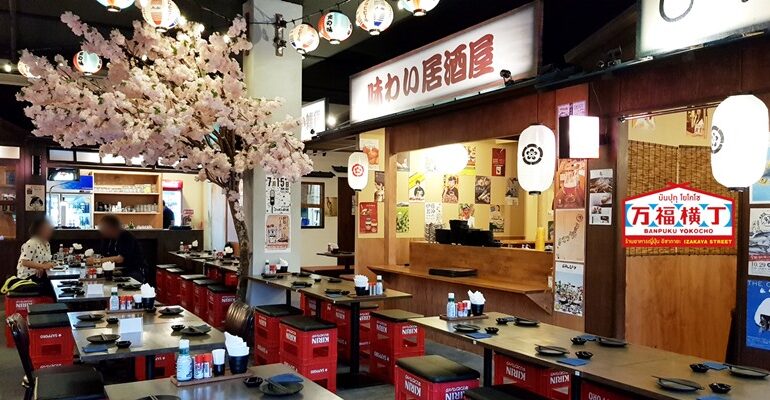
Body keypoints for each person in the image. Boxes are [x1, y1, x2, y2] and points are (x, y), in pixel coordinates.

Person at [88, 215, 146, 282]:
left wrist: (97, 261)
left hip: (133, 271)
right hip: (117, 271)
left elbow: (120, 259)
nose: (102, 231)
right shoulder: (108, 238)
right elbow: (103, 255)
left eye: (104, 228)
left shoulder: (126, 236)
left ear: (112, 227)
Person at [16, 218, 56, 294]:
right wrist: (41, 266)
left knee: (53, 284)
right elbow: (24, 262)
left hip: (39, 275)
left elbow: (46, 261)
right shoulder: (32, 242)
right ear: (39, 230)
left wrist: (41, 266)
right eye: (46, 228)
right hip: (27, 278)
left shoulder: (47, 244)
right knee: (51, 287)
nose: (50, 231)